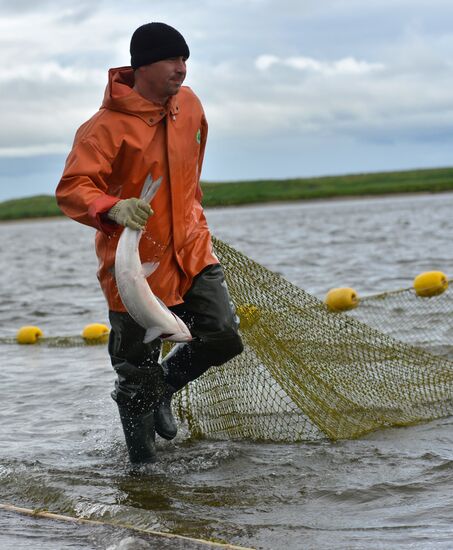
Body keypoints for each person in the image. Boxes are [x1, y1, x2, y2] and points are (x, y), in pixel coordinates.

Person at [56, 22, 244, 465]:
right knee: (135, 375)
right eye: (172, 60)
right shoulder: (102, 128)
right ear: (142, 66)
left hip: (192, 249)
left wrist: (192, 217)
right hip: (132, 267)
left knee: (222, 336)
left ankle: (163, 388)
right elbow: (72, 188)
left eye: (185, 60)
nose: (182, 69)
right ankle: (143, 475)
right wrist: (111, 207)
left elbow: (192, 170)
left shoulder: (191, 104)